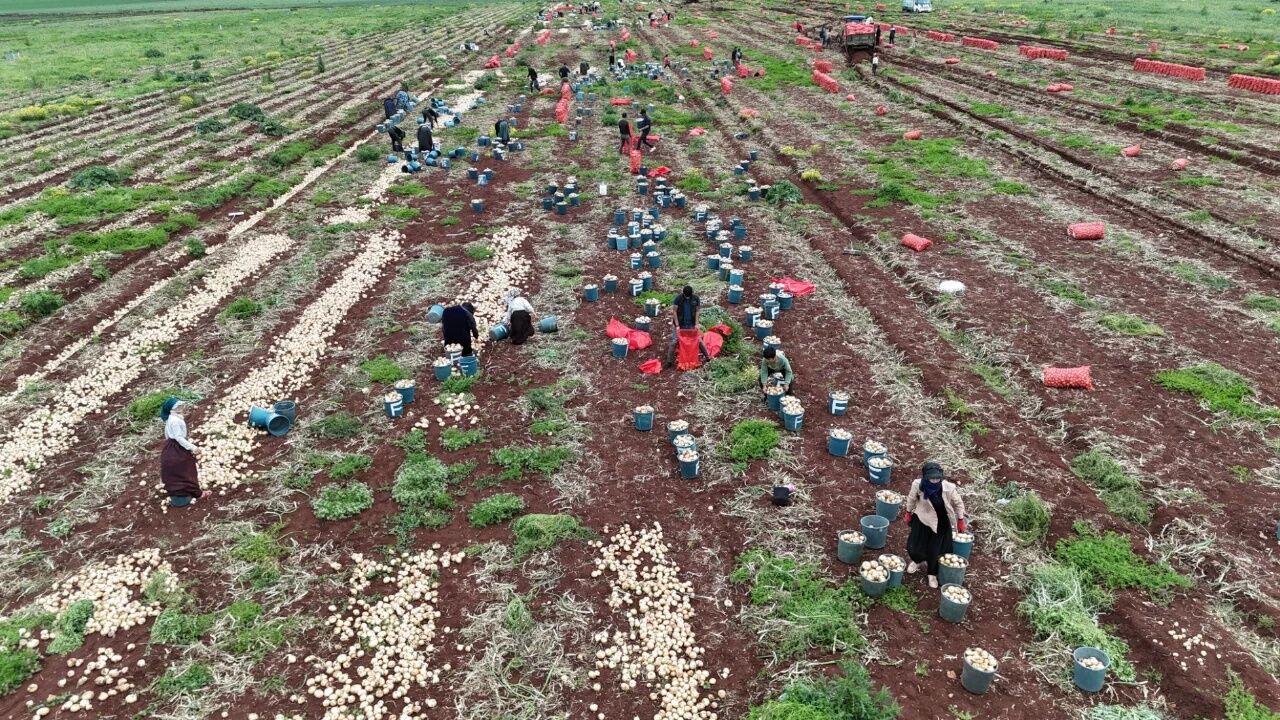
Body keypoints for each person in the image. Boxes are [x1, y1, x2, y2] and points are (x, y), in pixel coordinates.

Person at [903, 462, 969, 589]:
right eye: (931, 478)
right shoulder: (918, 485)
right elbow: (911, 498)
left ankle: (931, 574)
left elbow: (958, 503)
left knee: (935, 550)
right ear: (925, 477)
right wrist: (908, 512)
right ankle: (917, 561)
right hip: (922, 519)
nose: (934, 481)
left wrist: (960, 519)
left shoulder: (949, 488)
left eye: (937, 478)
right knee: (914, 545)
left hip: (941, 523)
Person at [159, 398, 202, 508]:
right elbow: (178, 438)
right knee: (185, 469)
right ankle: (188, 495)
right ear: (174, 409)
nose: (182, 408)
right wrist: (192, 447)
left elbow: (167, 435)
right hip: (177, 448)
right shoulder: (175, 421)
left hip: (170, 447)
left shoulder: (171, 419)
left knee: (175, 472)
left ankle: (179, 496)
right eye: (180, 406)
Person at [666, 285, 710, 368]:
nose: (687, 298)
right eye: (686, 296)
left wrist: (696, 324)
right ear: (683, 294)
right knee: (674, 342)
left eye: (688, 297)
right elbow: (674, 311)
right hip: (680, 324)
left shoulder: (696, 299)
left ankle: (707, 356)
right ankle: (669, 361)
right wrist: (677, 325)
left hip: (691, 324)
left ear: (691, 294)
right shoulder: (678, 299)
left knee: (698, 340)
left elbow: (697, 311)